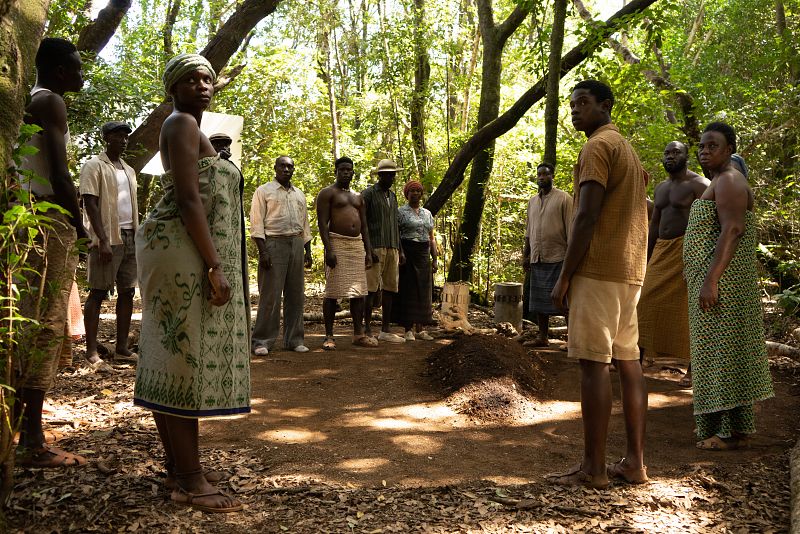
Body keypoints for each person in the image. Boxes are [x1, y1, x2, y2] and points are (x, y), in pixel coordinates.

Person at [134, 54, 250, 513]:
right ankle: (189, 478)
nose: (202, 85)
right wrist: (215, 265)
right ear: (174, 88)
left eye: (207, 78)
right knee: (184, 360)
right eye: (190, 79)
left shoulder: (192, 129)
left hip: (181, 250)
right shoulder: (180, 123)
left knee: (175, 358)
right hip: (182, 252)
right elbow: (186, 198)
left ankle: (179, 469)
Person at [549, 80, 649, 488]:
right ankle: (634, 464)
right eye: (571, 104)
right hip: (628, 273)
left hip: (598, 270)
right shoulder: (627, 148)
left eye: (583, 103)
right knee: (629, 362)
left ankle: (593, 469)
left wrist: (565, 275)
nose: (575, 110)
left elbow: (586, 215)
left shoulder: (597, 147)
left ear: (605, 106)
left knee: (594, 364)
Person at [15, 38, 88, 468]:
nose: (82, 74)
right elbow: (61, 176)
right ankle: (31, 440)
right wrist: (79, 227)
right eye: (77, 67)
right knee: (46, 323)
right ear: (60, 71)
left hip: (25, 219)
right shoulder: (52, 102)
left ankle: (25, 430)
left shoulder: (30, 101)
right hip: (47, 220)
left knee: (29, 319)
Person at [684, 122, 774, 450]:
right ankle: (734, 428)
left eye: (713, 146)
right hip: (720, 283)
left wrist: (710, 281)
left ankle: (722, 433)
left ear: (729, 149)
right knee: (721, 353)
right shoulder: (720, 180)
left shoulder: (731, 180)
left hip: (724, 285)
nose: (705, 151)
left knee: (720, 354)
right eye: (703, 146)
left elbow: (733, 229)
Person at [637, 142, 709, 387]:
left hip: (687, 251)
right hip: (662, 250)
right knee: (645, 302)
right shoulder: (661, 188)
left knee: (687, 311)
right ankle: (636, 360)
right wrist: (647, 256)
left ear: (687, 156)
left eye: (676, 152)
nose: (670, 156)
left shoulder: (700, 185)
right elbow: (655, 224)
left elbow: (712, 223)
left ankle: (694, 369)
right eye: (667, 152)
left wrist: (703, 257)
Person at [79, 121, 139, 367]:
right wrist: (102, 240)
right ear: (106, 138)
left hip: (129, 236)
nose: (123, 141)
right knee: (98, 292)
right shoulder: (94, 166)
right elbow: (90, 203)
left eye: (126, 137)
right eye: (118, 136)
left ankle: (122, 347)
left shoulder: (129, 170)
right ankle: (91, 351)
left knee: (128, 291)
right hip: (107, 238)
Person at [250, 156, 312, 355]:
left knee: (296, 295)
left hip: (296, 243)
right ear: (275, 168)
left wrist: (307, 250)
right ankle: (262, 341)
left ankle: (294, 339)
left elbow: (305, 224)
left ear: (294, 169)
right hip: (273, 243)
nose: (286, 169)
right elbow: (257, 223)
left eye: (290, 166)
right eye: (282, 166)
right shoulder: (264, 191)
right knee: (270, 295)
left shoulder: (299, 194)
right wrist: (263, 251)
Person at [316, 157, 374, 350]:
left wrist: (368, 250)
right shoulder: (327, 193)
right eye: (342, 170)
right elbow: (322, 224)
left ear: (353, 173)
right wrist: (328, 249)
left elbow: (365, 226)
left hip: (356, 245)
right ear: (336, 171)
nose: (346, 173)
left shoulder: (358, 197)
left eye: (349, 170)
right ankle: (329, 336)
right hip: (337, 243)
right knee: (333, 291)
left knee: (358, 293)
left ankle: (358, 334)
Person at [522, 162, 573, 347]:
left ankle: (572, 340)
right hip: (538, 256)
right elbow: (528, 231)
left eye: (545, 174)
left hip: (558, 256)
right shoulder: (532, 201)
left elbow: (571, 229)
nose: (542, 177)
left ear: (553, 176)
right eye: (539, 175)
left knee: (563, 300)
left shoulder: (564, 199)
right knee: (538, 302)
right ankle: (542, 337)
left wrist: (571, 257)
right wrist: (525, 255)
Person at [362, 159, 406, 343]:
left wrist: (401, 250)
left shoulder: (393, 197)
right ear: (379, 175)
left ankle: (385, 329)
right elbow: (363, 223)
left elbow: (395, 225)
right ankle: (366, 328)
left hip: (393, 246)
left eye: (393, 174)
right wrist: (368, 248)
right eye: (387, 174)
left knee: (390, 288)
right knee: (371, 289)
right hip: (376, 246)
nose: (391, 177)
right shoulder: (369, 194)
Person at [393, 180, 437, 340]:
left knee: (423, 290)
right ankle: (408, 329)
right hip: (407, 251)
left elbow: (431, 238)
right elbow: (396, 235)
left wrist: (435, 259)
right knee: (408, 289)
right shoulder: (400, 212)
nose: (416, 194)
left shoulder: (427, 213)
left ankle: (421, 328)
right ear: (407, 194)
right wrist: (401, 252)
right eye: (412, 191)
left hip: (423, 253)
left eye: (418, 191)